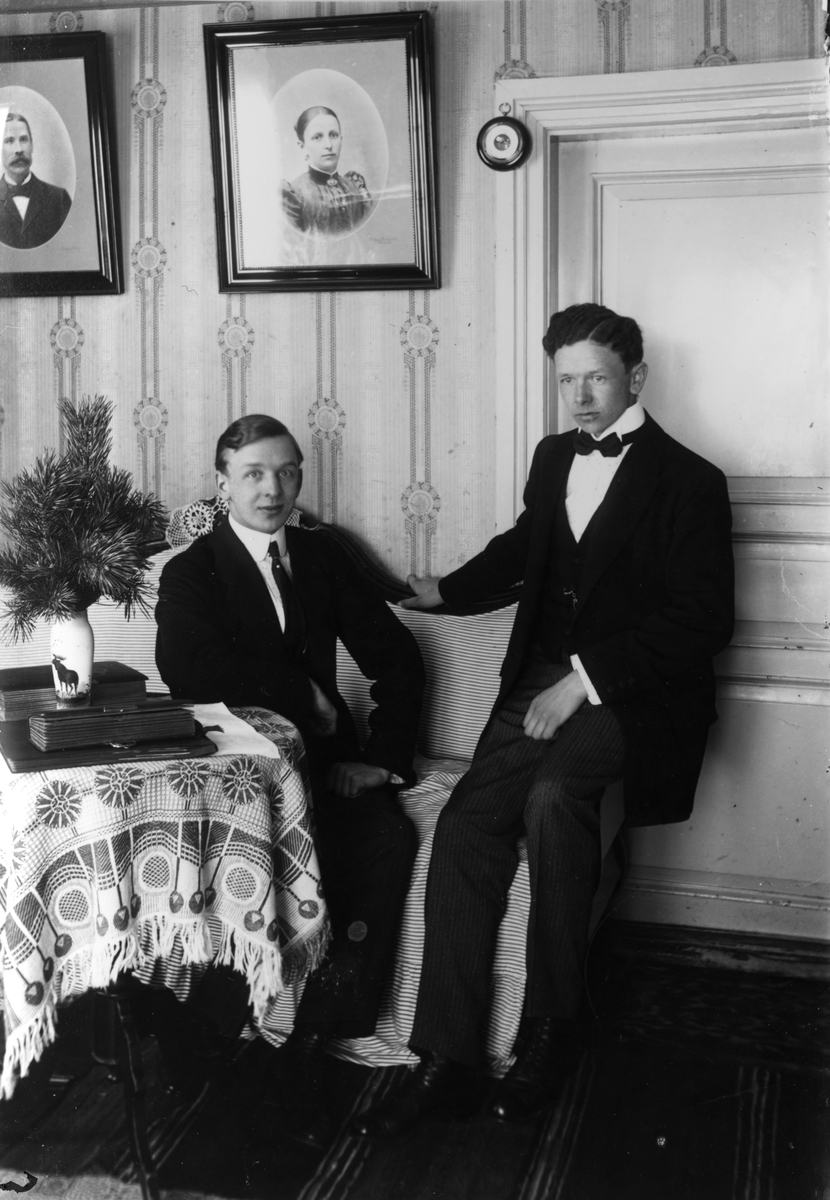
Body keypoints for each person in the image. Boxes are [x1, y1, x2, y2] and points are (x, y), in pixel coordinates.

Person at [352, 303, 735, 1138]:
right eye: (568, 381)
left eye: (597, 378)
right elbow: (527, 545)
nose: (582, 397)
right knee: (466, 824)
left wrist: (584, 682)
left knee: (556, 798)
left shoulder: (691, 480)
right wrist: (445, 591)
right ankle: (446, 1057)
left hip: (633, 695)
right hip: (539, 676)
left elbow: (704, 620)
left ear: (636, 378)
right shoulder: (555, 455)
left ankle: (551, 1033)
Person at [155, 414, 424, 1148]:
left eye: (287, 472)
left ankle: (309, 1044)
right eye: (253, 474)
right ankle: (205, 1036)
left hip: (322, 768)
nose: (272, 489)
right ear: (223, 484)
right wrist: (300, 691)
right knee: (239, 865)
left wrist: (383, 759)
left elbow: (397, 657)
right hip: (234, 783)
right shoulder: (192, 570)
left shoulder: (322, 556)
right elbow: (189, 669)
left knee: (385, 838)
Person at [280, 106, 372, 237]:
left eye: (333, 135)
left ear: (341, 140)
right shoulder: (294, 195)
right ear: (302, 146)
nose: (328, 145)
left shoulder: (355, 187)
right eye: (317, 137)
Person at [0, 112, 72, 250]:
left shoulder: (59, 199)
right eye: (9, 141)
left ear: (32, 145)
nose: (18, 149)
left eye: (23, 139)